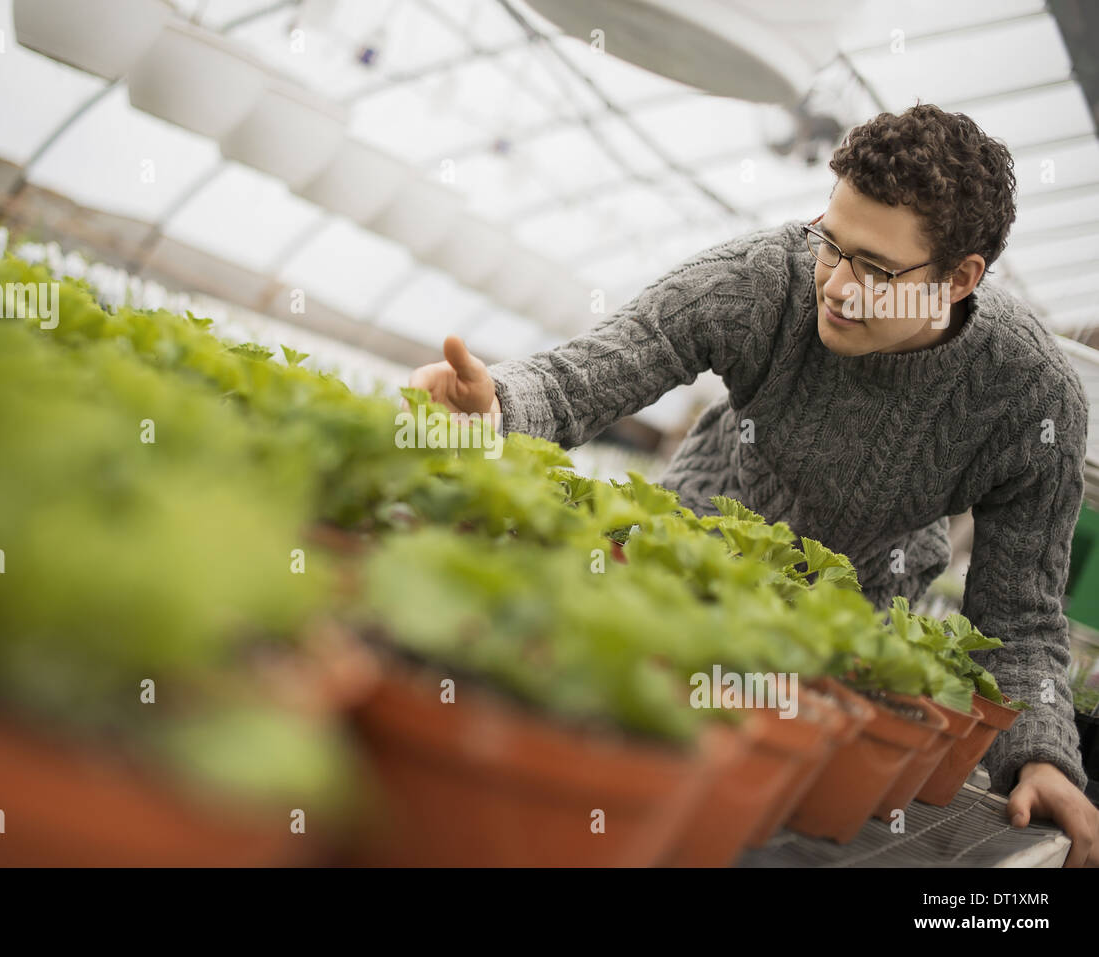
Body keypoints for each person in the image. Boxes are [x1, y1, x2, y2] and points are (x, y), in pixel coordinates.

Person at [409, 104, 1098, 866]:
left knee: (749, 821)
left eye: (873, 267)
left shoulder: (1032, 396)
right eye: (829, 241)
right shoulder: (765, 276)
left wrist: (1043, 756)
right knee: (628, 759)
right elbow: (605, 363)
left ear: (959, 277)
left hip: (859, 605)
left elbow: (1022, 616)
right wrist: (498, 400)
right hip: (698, 541)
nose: (835, 284)